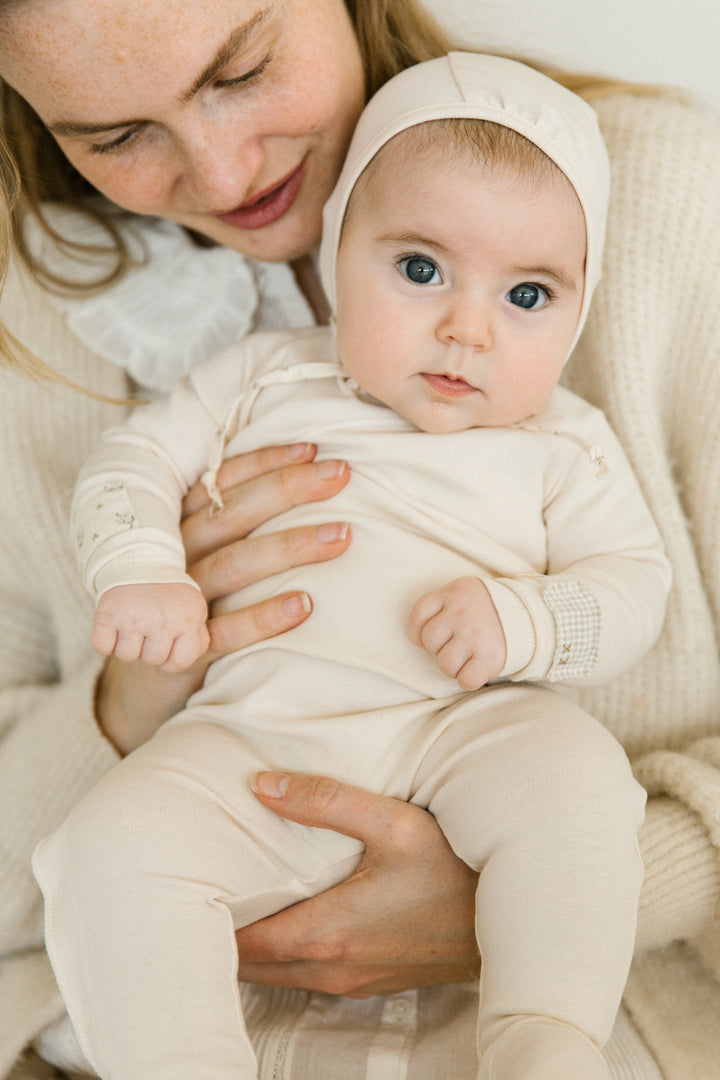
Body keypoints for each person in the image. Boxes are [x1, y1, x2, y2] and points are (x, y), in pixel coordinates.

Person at [0, 3, 719, 1079]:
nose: (223, 168)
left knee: (567, 772)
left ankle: (543, 1040)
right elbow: (132, 473)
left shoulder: (596, 374)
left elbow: (627, 585)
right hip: (238, 774)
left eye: (239, 69)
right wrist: (128, 683)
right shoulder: (193, 358)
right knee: (107, 851)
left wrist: (619, 869)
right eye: (113, 136)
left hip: (576, 928)